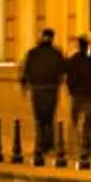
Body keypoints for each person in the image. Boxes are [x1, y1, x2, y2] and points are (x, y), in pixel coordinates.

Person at [21, 27, 66, 161]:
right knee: (47, 117)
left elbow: (26, 69)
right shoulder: (54, 53)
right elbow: (61, 70)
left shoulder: (34, 53)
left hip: (40, 88)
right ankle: (46, 144)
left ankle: (42, 144)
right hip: (48, 87)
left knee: (41, 118)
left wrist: (25, 83)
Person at [63, 35, 91, 163]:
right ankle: (86, 147)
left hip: (78, 94)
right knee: (88, 123)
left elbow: (67, 74)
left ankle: (76, 147)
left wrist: (72, 88)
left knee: (75, 121)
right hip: (89, 94)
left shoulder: (74, 60)